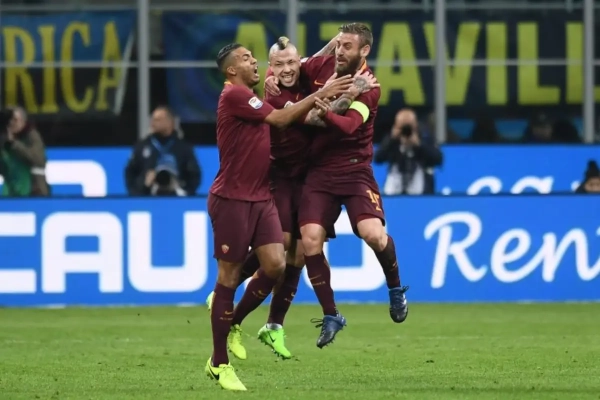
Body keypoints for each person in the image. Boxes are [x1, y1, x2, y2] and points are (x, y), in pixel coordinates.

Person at [205, 37, 379, 361]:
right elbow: (314, 119)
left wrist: (333, 45)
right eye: (278, 64)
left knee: (297, 255)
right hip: (278, 176)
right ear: (271, 68)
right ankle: (226, 298)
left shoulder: (306, 74)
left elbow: (312, 59)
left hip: (308, 176)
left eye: (291, 63)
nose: (286, 69)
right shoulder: (272, 94)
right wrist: (347, 91)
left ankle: (273, 324)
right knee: (282, 244)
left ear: (301, 62)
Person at [264, 23, 409, 349]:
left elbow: (348, 125)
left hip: (355, 171)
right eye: (338, 44)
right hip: (318, 172)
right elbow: (289, 68)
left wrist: (336, 102)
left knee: (373, 234)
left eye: (347, 46)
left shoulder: (369, 86)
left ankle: (395, 288)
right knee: (309, 241)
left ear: (364, 51)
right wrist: (271, 78)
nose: (340, 51)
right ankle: (331, 314)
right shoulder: (318, 66)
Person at [125, 106, 200, 196]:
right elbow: (130, 174)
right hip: (147, 197)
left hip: (176, 198)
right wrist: (143, 186)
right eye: (152, 119)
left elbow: (194, 175)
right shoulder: (141, 147)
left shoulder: (184, 148)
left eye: (158, 120)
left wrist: (183, 190)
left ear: (170, 122)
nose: (153, 122)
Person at [374, 108, 443, 195]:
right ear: (396, 126)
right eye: (402, 127)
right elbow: (377, 158)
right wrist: (392, 139)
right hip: (394, 190)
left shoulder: (425, 138)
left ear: (416, 125)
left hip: (420, 191)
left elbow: (438, 159)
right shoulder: (391, 140)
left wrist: (418, 144)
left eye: (409, 126)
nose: (406, 130)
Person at [0, 107, 49, 197]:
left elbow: (38, 160)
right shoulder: (5, 140)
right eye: (9, 120)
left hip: (34, 190)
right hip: (12, 190)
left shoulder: (32, 136)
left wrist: (14, 144)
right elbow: (4, 169)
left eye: (15, 120)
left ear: (23, 121)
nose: (11, 123)